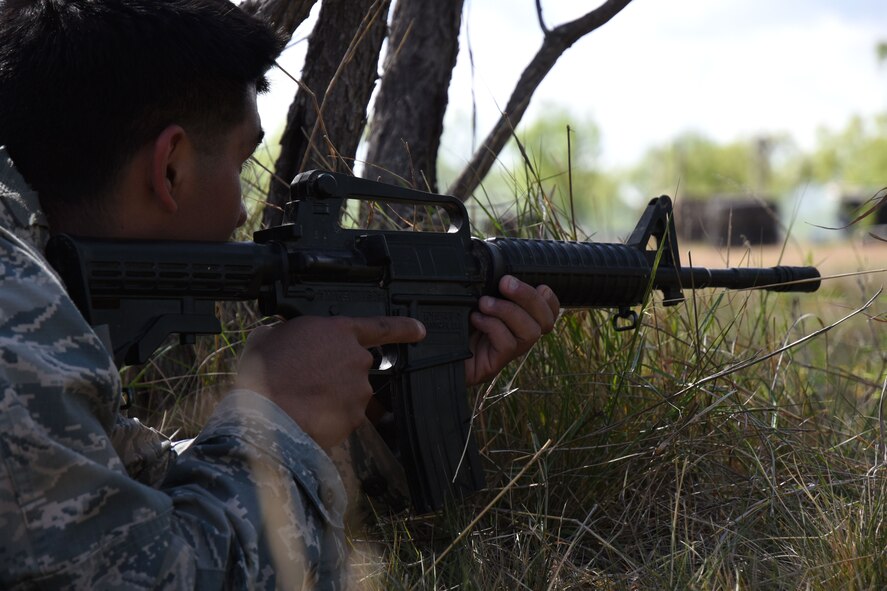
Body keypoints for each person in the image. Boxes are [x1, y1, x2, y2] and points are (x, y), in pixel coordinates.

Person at [0, 0, 560, 589]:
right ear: (170, 169)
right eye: (243, 163)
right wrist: (277, 419)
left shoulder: (30, 288)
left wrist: (364, 403)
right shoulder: (18, 317)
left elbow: (128, 495)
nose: (245, 208)